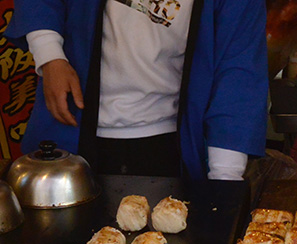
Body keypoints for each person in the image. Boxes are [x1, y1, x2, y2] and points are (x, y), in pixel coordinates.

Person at [5, 0, 269, 181]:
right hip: (72, 134)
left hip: (169, 143)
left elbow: (238, 70)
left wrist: (224, 178)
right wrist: (49, 55)